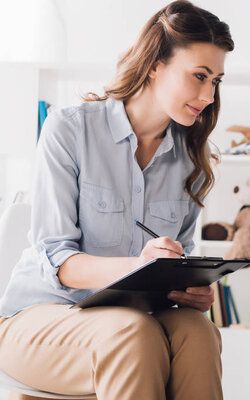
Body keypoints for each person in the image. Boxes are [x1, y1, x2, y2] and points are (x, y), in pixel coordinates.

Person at [0, 1, 234, 399]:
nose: (208, 95)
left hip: (131, 320)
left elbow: (180, 260)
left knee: (198, 332)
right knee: (132, 333)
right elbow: (58, 260)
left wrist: (190, 289)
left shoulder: (191, 160)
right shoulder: (69, 130)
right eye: (198, 76)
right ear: (154, 65)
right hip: (41, 320)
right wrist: (141, 265)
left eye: (215, 81)